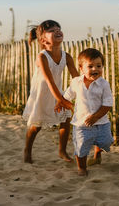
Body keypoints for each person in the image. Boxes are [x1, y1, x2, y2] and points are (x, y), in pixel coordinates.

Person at [22, 20, 79, 164]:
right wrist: (60, 99)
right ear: (42, 40)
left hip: (57, 92)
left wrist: (85, 91)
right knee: (36, 125)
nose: (57, 31)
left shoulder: (67, 56)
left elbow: (76, 78)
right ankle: (27, 150)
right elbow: (49, 81)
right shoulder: (42, 56)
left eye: (58, 29)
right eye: (52, 31)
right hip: (41, 95)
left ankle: (62, 151)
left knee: (66, 119)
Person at [55, 48, 113, 176]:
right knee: (81, 147)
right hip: (81, 124)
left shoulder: (104, 84)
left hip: (102, 123)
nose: (95, 69)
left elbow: (108, 104)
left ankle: (98, 152)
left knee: (106, 142)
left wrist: (95, 117)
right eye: (90, 66)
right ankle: (82, 167)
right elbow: (68, 95)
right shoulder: (76, 82)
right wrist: (61, 102)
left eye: (99, 66)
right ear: (81, 68)